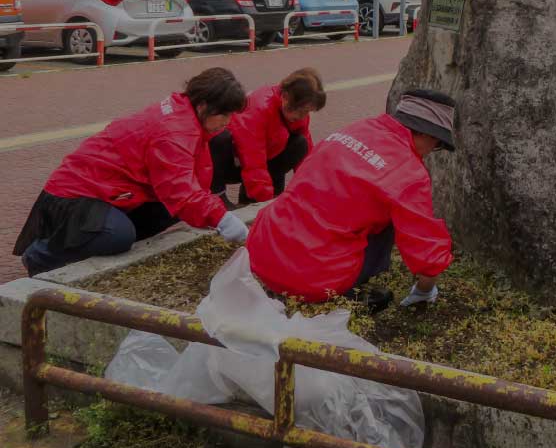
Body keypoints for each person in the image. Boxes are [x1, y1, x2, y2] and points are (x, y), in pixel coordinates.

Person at [14, 68, 250, 276]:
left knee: (170, 211)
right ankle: (42, 256)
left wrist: (210, 212)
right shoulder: (174, 131)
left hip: (111, 190)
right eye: (225, 114)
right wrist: (222, 219)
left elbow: (186, 186)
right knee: (117, 235)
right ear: (204, 106)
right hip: (77, 193)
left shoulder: (185, 114)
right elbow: (181, 190)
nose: (228, 122)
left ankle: (95, 244)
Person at [247, 88, 456, 309]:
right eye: (438, 145)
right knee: (389, 217)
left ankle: (284, 280)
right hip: (312, 277)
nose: (432, 150)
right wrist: (425, 290)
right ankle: (348, 293)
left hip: (262, 250)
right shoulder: (409, 173)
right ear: (427, 134)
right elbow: (426, 250)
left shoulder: (358, 128)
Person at [210, 68, 326, 207]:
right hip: (233, 163)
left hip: (263, 158)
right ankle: (218, 194)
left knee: (300, 144)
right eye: (302, 111)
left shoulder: (295, 112)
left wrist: (310, 191)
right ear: (285, 97)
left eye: (308, 112)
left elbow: (307, 158)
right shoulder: (259, 110)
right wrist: (265, 203)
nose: (303, 116)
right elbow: (253, 160)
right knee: (220, 139)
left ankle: (257, 194)